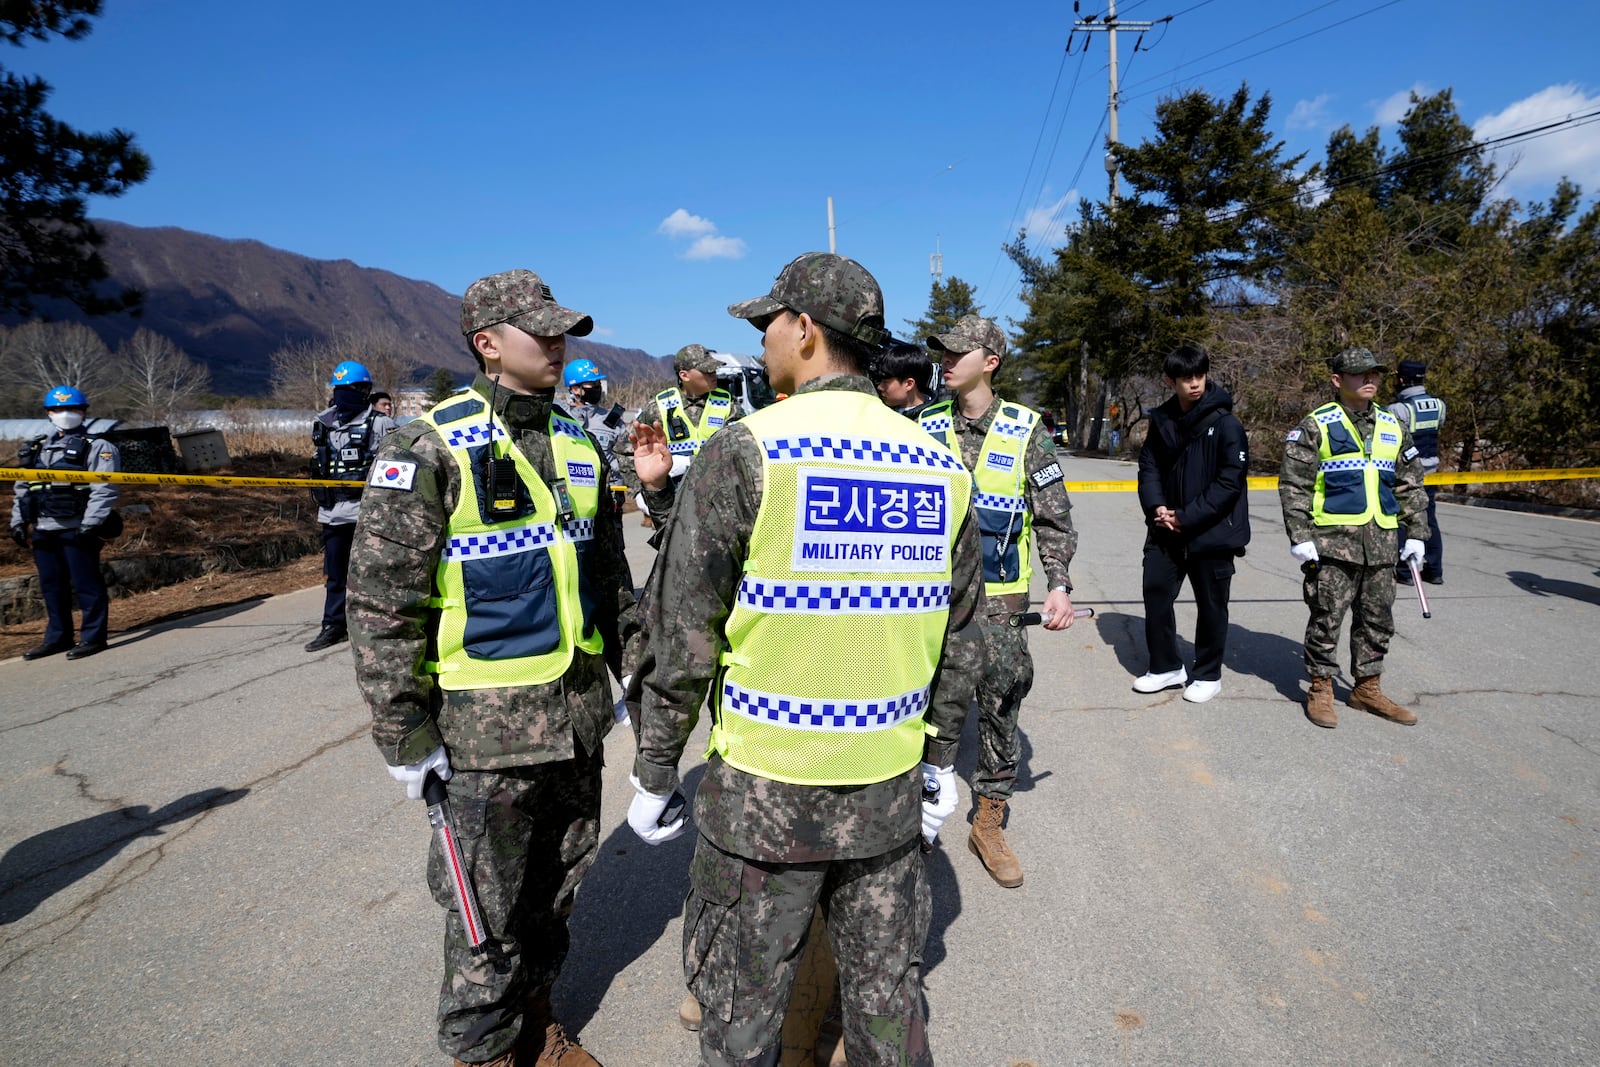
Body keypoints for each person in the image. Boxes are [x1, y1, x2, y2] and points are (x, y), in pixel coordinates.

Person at [629, 251, 984, 1067]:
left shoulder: (746, 449)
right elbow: (962, 639)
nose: (761, 344)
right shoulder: (939, 465)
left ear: (806, 330)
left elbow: (683, 636)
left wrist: (655, 769)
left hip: (763, 798)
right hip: (887, 793)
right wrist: (938, 761)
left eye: (768, 326)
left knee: (742, 1012)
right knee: (887, 1009)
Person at [346, 268, 641, 1067]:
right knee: (484, 912)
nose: (558, 342)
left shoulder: (580, 443)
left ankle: (540, 1026)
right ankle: (480, 1051)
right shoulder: (428, 446)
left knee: (557, 892)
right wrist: (404, 730)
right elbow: (381, 606)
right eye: (539, 330)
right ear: (487, 344)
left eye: (562, 329)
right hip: (481, 740)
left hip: (575, 725)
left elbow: (612, 587)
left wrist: (648, 691)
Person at [919, 313, 1078, 889]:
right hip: (929, 600)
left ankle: (988, 819)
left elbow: (1053, 516)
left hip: (1001, 602)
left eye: (957, 353)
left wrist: (1058, 584)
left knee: (1001, 701)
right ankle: (922, 811)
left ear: (989, 361)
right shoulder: (922, 425)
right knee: (928, 705)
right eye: (941, 352)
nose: (945, 361)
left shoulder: (1026, 428)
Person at [1279, 346, 1430, 730]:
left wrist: (1417, 534)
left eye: (1375, 374)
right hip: (1332, 544)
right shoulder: (1316, 425)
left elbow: (1410, 484)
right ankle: (1321, 687)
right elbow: (1294, 484)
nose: (1370, 380)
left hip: (1382, 542)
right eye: (1361, 374)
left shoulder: (1393, 424)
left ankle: (1367, 687)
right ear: (1337, 380)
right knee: (1326, 619)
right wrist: (1300, 535)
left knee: (1378, 620)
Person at [1132, 345, 1252, 704]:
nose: (1195, 384)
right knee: (1156, 593)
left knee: (1212, 605)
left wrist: (1185, 516)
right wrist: (1158, 508)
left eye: (1200, 376)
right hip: (1165, 529)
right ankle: (1166, 667)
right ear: (1170, 381)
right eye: (1186, 379)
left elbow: (1230, 482)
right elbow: (1148, 467)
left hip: (1211, 531)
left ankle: (1208, 673)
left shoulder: (1227, 423)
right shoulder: (1162, 421)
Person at [10, 385, 121, 660]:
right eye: (58, 409)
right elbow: (23, 489)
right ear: (49, 413)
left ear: (83, 412)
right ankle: (58, 637)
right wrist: (18, 522)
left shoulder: (98, 447)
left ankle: (93, 637)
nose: (65, 414)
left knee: (86, 584)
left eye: (72, 409)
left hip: (78, 528)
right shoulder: (34, 449)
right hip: (43, 530)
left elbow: (104, 488)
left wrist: (91, 524)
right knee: (51, 586)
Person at [304, 361, 396, 652]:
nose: (346, 395)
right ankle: (333, 625)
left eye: (353, 389)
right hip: (332, 513)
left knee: (377, 571)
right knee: (335, 574)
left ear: (365, 391)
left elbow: (396, 467)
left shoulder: (380, 423)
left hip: (369, 513)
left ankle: (383, 627)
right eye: (341, 389)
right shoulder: (323, 423)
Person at [614, 343, 735, 501]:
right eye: (707, 371)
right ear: (684, 375)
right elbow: (624, 449)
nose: (714, 374)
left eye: (714, 369)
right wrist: (640, 491)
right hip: (675, 499)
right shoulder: (660, 406)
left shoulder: (727, 403)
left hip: (719, 497)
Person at [1388, 359, 1445, 585]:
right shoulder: (1439, 405)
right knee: (1429, 518)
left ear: (1401, 379)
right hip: (1432, 471)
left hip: (1405, 474)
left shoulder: (1397, 409)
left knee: (1402, 519)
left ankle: (1403, 571)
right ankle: (1435, 569)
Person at [870, 340, 939, 418]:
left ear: (909, 384)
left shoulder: (934, 420)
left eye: (886, 382)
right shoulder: (878, 411)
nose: (880, 387)